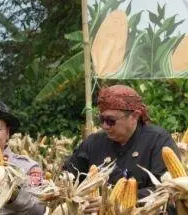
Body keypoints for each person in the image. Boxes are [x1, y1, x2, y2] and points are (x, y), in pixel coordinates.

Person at [63, 85, 179, 213]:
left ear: (134, 116)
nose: (104, 126)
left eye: (110, 121)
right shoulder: (93, 143)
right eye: (101, 119)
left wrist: (113, 201)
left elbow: (166, 190)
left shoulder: (158, 141)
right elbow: (68, 178)